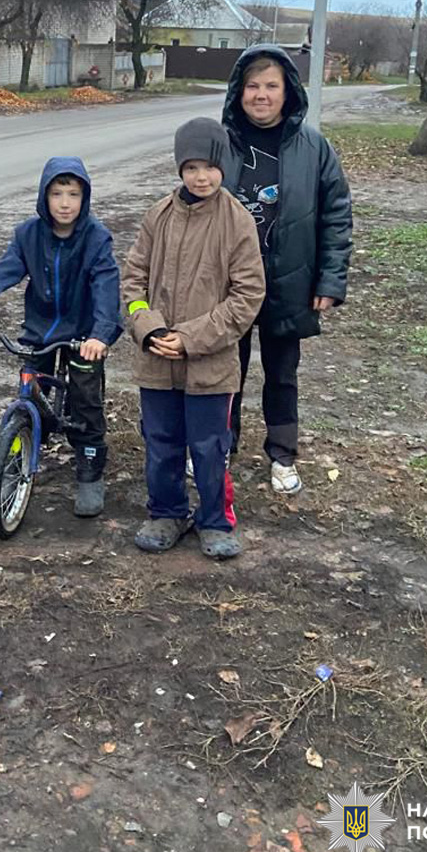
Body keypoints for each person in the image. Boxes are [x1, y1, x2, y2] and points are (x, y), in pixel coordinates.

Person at [121, 118, 265, 560]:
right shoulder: (157, 215)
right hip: (157, 361)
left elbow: (247, 296)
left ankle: (215, 521)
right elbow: (132, 281)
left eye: (209, 167)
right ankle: (167, 512)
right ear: (179, 168)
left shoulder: (236, 220)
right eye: (191, 168)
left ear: (223, 166)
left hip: (210, 365)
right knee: (161, 441)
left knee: (209, 447)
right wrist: (148, 329)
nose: (201, 177)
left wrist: (190, 339)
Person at [220, 44, 353, 494]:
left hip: (289, 279)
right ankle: (220, 446)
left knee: (281, 373)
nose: (261, 94)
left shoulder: (314, 147)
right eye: (252, 85)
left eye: (271, 86)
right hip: (227, 285)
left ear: (287, 92)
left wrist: (330, 280)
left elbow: (336, 214)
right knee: (222, 371)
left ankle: (282, 454)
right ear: (239, 92)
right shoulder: (221, 143)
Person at [0, 158, 121, 517]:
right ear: (44, 197)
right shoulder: (28, 235)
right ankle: (26, 439)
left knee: (85, 399)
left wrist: (101, 334)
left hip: (83, 334)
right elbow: (3, 272)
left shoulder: (96, 238)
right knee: (30, 387)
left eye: (73, 194)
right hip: (40, 329)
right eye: (57, 193)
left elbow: (107, 288)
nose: (65, 203)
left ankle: (90, 466)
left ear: (85, 198)